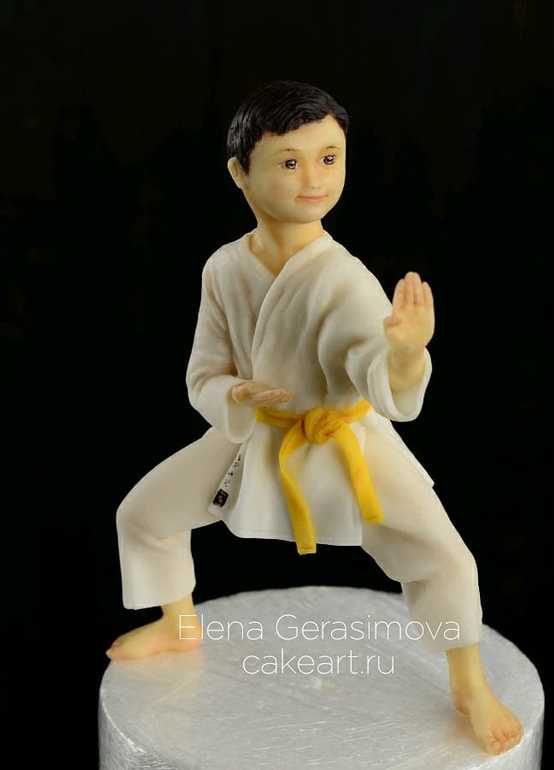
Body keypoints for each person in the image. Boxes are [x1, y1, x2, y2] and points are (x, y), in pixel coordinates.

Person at [106, 80, 522, 755]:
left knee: (445, 557)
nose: (314, 179)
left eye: (330, 157)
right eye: (290, 161)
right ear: (240, 173)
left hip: (340, 437)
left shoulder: (344, 279)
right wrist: (234, 395)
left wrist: (404, 354)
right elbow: (203, 372)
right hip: (254, 433)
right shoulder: (223, 269)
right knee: (144, 514)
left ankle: (469, 682)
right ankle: (179, 622)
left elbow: (376, 374)